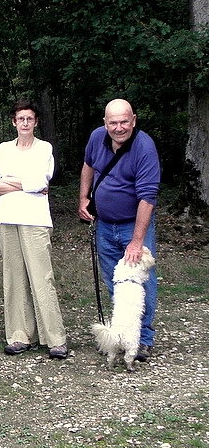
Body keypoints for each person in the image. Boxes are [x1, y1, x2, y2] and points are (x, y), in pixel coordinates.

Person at [79, 98, 160, 362]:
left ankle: (143, 339)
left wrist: (137, 242)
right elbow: (88, 165)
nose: (119, 127)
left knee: (138, 286)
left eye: (124, 121)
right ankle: (121, 335)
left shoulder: (144, 147)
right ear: (105, 123)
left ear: (134, 120)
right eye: (113, 122)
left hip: (133, 225)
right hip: (103, 224)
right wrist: (83, 199)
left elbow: (148, 197)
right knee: (115, 283)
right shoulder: (96, 137)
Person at [0, 100, 67, 359]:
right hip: (7, 218)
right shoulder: (3, 149)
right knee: (13, 279)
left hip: (35, 219)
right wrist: (25, 184)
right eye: (20, 119)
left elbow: (42, 180)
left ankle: (55, 339)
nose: (24, 123)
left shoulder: (44, 148)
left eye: (29, 119)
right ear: (14, 122)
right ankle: (20, 336)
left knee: (41, 278)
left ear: (35, 122)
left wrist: (8, 181)